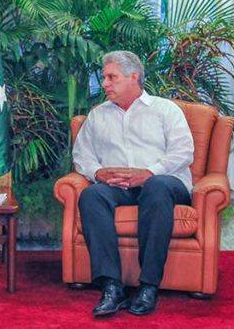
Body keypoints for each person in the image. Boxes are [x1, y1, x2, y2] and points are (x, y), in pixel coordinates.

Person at [73, 50, 194, 317]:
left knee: (156, 187)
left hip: (167, 185)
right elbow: (81, 155)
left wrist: (149, 172)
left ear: (134, 77)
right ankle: (112, 287)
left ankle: (149, 286)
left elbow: (183, 152)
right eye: (104, 77)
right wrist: (99, 172)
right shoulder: (98, 115)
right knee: (92, 195)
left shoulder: (165, 110)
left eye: (111, 77)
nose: (104, 83)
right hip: (119, 187)